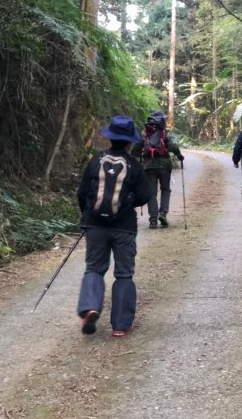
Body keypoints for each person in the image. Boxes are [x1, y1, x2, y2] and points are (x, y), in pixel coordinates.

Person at [77, 115, 152, 337]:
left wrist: (87, 217)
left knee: (94, 268)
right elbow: (145, 195)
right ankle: (120, 325)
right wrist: (128, 203)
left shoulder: (96, 161)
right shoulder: (134, 165)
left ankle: (90, 307)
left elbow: (82, 193)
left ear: (110, 137)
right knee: (124, 274)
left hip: (95, 225)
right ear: (129, 141)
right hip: (124, 227)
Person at [132, 111, 184, 229]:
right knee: (165, 190)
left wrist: (140, 156)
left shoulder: (145, 133)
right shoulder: (164, 133)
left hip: (148, 166)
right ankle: (163, 213)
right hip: (164, 166)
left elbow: (135, 150)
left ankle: (153, 220)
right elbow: (173, 147)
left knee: (152, 194)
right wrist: (179, 156)